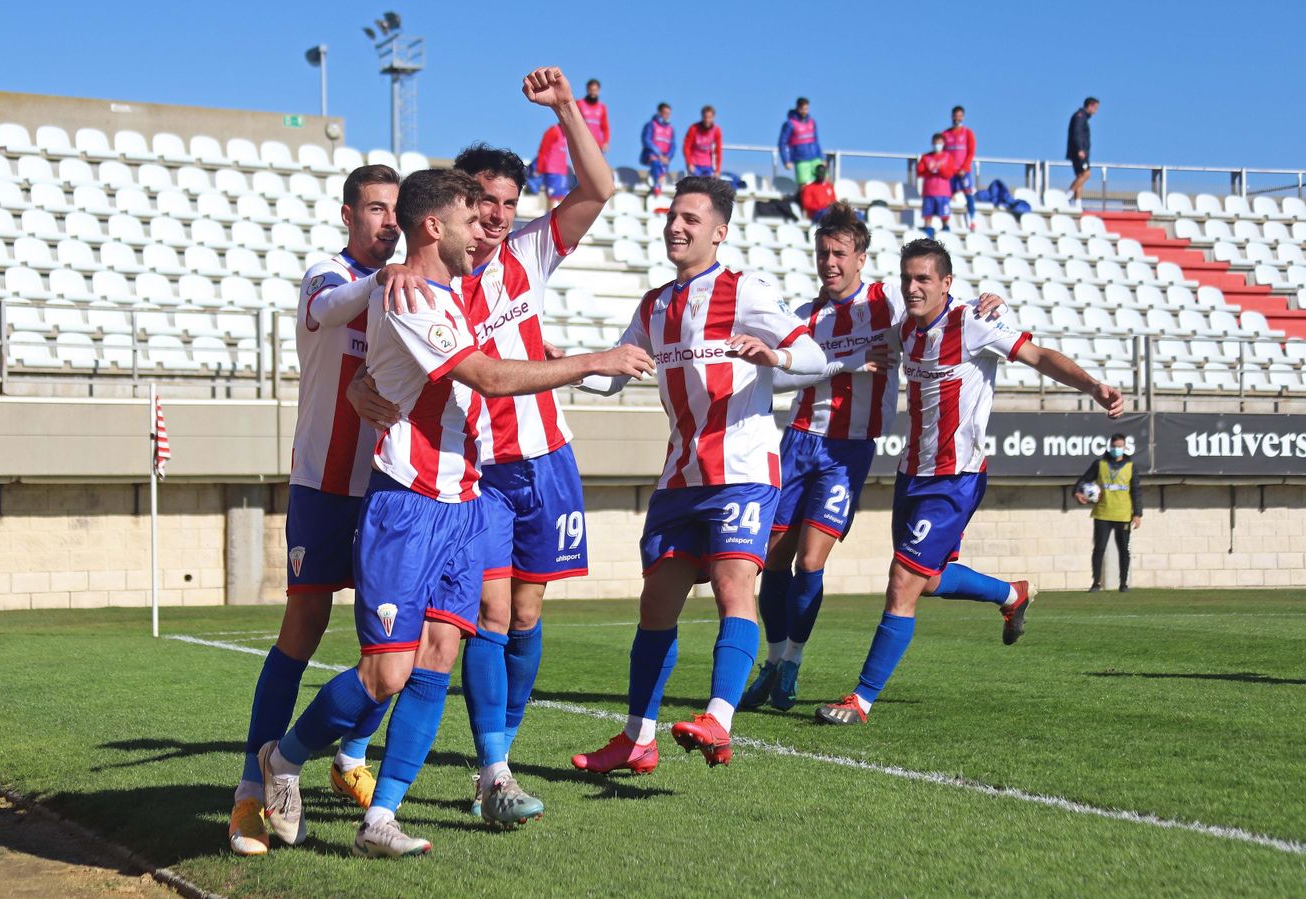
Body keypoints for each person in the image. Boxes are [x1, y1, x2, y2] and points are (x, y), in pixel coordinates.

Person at [254, 167, 652, 859]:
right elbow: (490, 378)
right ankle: (283, 759)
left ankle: (381, 816)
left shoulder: (439, 289)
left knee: (440, 655)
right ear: (435, 226)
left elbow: (428, 362)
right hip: (407, 506)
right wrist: (598, 360)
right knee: (387, 673)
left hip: (465, 503)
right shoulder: (412, 296)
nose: (485, 231)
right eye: (472, 220)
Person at [349, 66, 617, 828]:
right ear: (461, 207)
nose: (498, 216)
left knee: (525, 614)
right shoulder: (425, 277)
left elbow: (598, 189)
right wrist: (358, 390)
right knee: (487, 616)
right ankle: (493, 773)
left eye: (509, 202)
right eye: (486, 202)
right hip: (475, 469)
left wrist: (567, 107)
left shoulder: (530, 252)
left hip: (547, 456)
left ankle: (489, 755)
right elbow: (385, 352)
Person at [569, 176, 830, 774]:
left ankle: (719, 718)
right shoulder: (655, 304)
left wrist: (776, 356)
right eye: (671, 217)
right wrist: (561, 365)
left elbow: (814, 357)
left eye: (690, 218)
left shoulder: (745, 289)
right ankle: (638, 739)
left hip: (741, 469)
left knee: (734, 585)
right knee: (655, 602)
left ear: (719, 232)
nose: (676, 227)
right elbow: (614, 372)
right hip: (680, 476)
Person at [815, 239, 1124, 726]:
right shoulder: (906, 332)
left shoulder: (972, 322)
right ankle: (1011, 594)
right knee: (928, 580)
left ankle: (861, 699)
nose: (913, 288)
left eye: (923, 279)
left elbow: (1038, 356)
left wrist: (1094, 387)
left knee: (902, 583)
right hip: (911, 473)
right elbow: (862, 343)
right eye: (907, 279)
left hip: (955, 476)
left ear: (946, 284)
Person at [743, 205, 1006, 713]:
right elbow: (774, 378)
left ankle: (793, 661)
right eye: (823, 253)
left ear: (861, 257)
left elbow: (940, 302)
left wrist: (990, 300)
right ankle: (773, 661)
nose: (830, 262)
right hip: (798, 440)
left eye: (840, 253)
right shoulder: (804, 316)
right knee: (773, 556)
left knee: (811, 559)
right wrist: (844, 364)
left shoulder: (886, 301)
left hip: (849, 449)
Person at [228, 163, 401, 857]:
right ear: (348, 215)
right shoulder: (326, 275)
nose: (387, 222)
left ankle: (349, 756)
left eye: (395, 211)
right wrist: (389, 280)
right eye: (375, 209)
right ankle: (247, 792)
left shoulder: (410, 293)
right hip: (323, 486)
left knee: (395, 635)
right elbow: (330, 309)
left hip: (394, 489)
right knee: (303, 625)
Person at [1074, 433, 1142, 592]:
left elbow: (1136, 491)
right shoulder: (1100, 464)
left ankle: (1123, 584)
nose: (1116, 449)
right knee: (1099, 549)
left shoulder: (1131, 466)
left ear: (1124, 447)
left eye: (1119, 447)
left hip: (1123, 514)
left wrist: (1137, 513)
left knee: (1124, 550)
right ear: (1109, 447)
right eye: (1114, 446)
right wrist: (1078, 492)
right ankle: (1095, 584)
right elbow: (1083, 480)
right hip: (1102, 513)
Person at [943, 106, 977, 228]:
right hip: (951, 172)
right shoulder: (945, 134)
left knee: (968, 194)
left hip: (964, 172)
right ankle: (945, 222)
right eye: (956, 115)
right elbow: (943, 154)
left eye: (960, 115)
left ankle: (972, 219)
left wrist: (965, 167)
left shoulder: (968, 133)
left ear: (963, 117)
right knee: (946, 195)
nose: (958, 118)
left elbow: (971, 152)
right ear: (952, 116)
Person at [778, 97, 823, 186]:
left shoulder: (811, 122)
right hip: (801, 159)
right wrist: (786, 160)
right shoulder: (790, 124)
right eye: (802, 109)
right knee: (804, 185)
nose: (804, 111)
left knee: (822, 180)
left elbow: (816, 141)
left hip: (815, 157)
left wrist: (822, 157)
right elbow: (782, 143)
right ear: (797, 108)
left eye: (806, 109)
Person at [917, 132, 954, 238]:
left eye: (939, 143)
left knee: (945, 216)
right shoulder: (926, 157)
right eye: (935, 143)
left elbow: (949, 173)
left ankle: (946, 235)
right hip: (929, 191)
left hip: (943, 192)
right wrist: (930, 169)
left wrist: (940, 169)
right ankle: (928, 236)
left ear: (943, 143)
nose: (937, 145)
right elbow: (920, 171)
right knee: (927, 216)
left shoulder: (948, 157)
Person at [1067, 97, 1099, 204]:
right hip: (1079, 152)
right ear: (1089, 105)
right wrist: (1080, 149)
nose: (1096, 111)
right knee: (1086, 174)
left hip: (1080, 152)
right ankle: (1068, 195)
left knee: (1080, 177)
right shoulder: (1080, 117)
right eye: (1095, 108)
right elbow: (1077, 134)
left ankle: (1078, 203)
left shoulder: (1083, 118)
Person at [641, 103, 676, 197]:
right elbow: (646, 140)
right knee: (655, 163)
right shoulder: (651, 125)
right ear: (659, 112)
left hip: (664, 158)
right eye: (665, 113)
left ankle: (659, 187)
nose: (667, 115)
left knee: (663, 169)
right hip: (652, 154)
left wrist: (668, 157)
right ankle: (656, 186)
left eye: (669, 113)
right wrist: (658, 154)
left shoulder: (670, 129)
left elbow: (673, 145)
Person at [683, 106, 722, 177]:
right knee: (696, 186)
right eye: (705, 117)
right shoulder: (693, 128)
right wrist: (689, 163)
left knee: (708, 186)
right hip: (694, 165)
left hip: (707, 166)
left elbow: (718, 151)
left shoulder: (716, 130)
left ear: (713, 117)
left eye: (709, 117)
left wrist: (717, 170)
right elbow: (686, 147)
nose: (707, 120)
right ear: (702, 117)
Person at [535, 123, 570, 202]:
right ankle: (551, 214)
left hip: (562, 172)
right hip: (552, 171)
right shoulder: (554, 131)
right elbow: (543, 149)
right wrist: (539, 168)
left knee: (564, 197)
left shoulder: (566, 134)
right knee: (552, 198)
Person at [576, 78, 611, 153]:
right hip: (582, 142)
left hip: (597, 145)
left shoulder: (602, 107)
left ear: (598, 91)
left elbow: (605, 127)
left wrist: (606, 142)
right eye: (591, 90)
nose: (593, 92)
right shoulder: (579, 104)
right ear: (587, 90)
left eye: (595, 90)